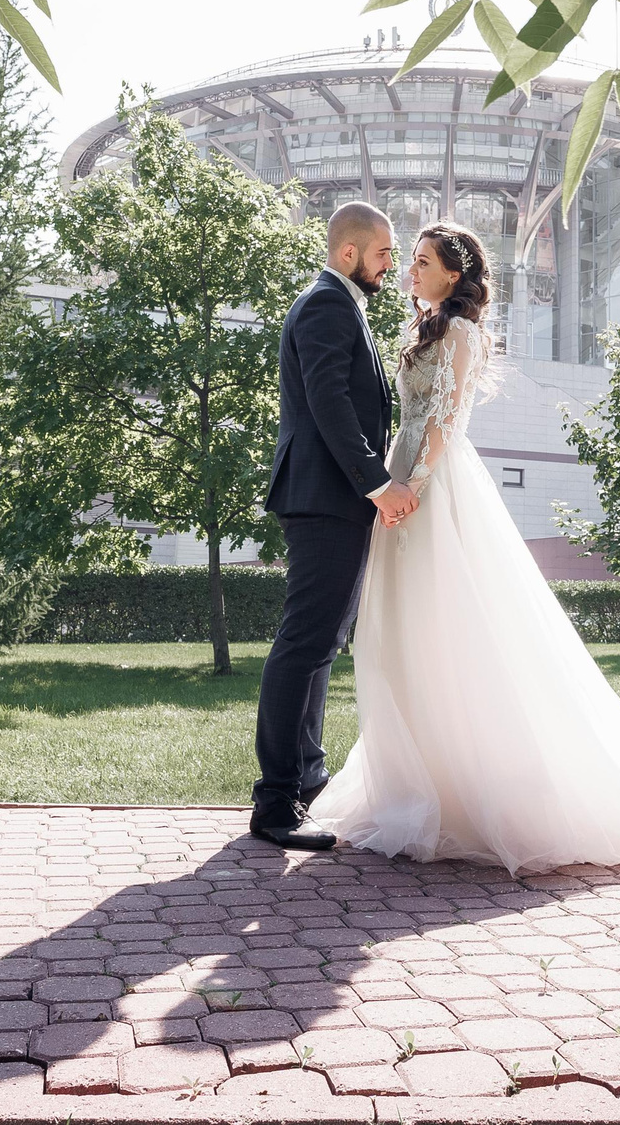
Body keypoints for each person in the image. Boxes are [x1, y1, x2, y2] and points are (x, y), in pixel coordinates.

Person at [307, 221, 620, 877]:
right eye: (409, 259)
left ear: (453, 273)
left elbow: (446, 422)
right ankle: (414, 778)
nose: (409, 270)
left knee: (445, 624)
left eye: (421, 261)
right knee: (403, 629)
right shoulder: (426, 327)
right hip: (401, 478)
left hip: (430, 486)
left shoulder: (461, 333)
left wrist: (410, 489)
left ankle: (464, 788)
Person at [250, 202, 417, 851]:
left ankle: (307, 779)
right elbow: (329, 400)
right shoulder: (326, 303)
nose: (390, 264)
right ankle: (275, 802)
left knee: (320, 642)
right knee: (304, 642)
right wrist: (377, 482)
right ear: (349, 252)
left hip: (332, 498)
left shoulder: (342, 304)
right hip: (325, 498)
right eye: (383, 252)